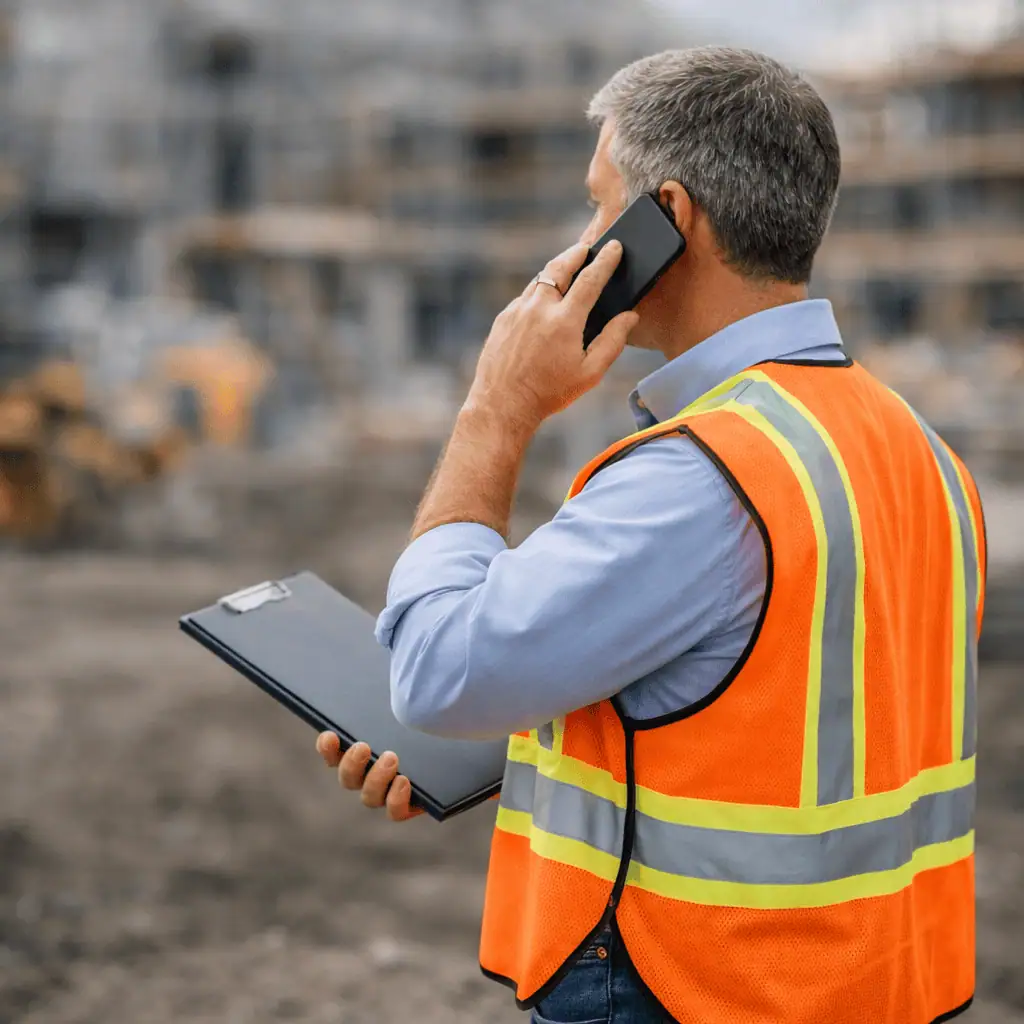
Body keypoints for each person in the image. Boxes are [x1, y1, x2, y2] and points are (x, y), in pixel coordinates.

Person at [317, 46, 986, 1024]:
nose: (584, 241)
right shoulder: (918, 450)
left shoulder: (703, 476)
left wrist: (494, 412)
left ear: (665, 220)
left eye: (601, 207)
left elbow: (435, 673)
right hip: (869, 981)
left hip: (693, 986)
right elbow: (776, 712)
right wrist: (505, 736)